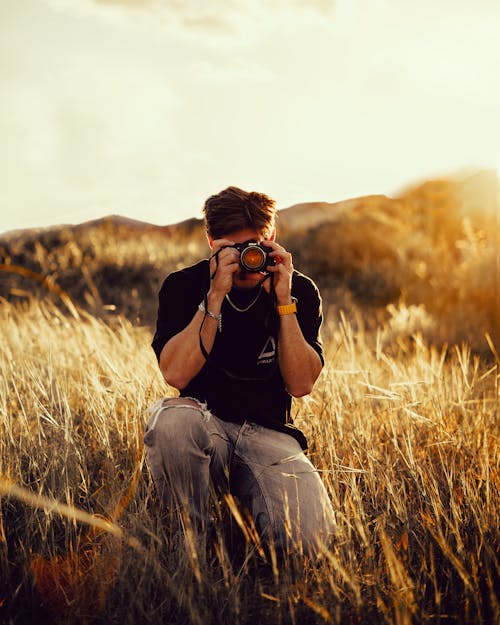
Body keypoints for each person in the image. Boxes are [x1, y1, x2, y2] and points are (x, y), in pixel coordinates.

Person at [145, 186, 334, 559]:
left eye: (255, 247)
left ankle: (247, 526)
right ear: (211, 242)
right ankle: (192, 548)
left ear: (272, 240)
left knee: (309, 546)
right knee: (171, 420)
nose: (247, 259)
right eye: (231, 249)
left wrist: (284, 302)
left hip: (270, 434)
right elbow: (176, 375)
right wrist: (214, 295)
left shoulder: (301, 292)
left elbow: (301, 383)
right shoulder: (184, 286)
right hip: (205, 424)